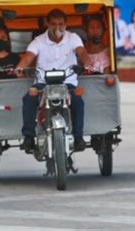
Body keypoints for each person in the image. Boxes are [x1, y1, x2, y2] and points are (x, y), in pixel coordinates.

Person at [15, 9, 91, 152]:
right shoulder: (38, 41)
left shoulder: (73, 38)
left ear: (66, 24)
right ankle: (29, 138)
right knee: (29, 99)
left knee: (77, 101)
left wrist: (87, 63)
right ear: (47, 24)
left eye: (61, 24)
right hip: (42, 83)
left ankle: (78, 138)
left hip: (67, 83)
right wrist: (20, 67)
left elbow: (82, 52)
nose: (57, 28)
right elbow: (28, 56)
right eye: (53, 24)